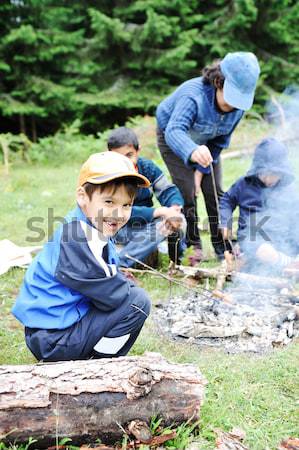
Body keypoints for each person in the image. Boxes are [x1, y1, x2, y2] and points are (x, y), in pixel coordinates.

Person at [12, 152, 151, 362]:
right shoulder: (78, 237)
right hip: (54, 339)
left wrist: (122, 282)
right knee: (137, 303)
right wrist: (127, 287)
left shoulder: (87, 225)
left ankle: (93, 357)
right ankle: (95, 364)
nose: (118, 213)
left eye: (126, 205)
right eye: (109, 201)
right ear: (82, 197)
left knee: (129, 294)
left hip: (51, 331)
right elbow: (111, 296)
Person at [156, 51, 260, 264]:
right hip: (173, 138)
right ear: (218, 82)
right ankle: (193, 246)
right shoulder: (192, 96)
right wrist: (192, 152)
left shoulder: (237, 109)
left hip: (207, 145)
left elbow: (220, 142)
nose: (233, 107)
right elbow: (174, 130)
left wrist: (201, 171)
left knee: (215, 193)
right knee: (187, 192)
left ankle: (223, 247)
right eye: (231, 99)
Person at [107, 127, 186, 267]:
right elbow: (116, 211)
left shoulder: (147, 168)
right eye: (118, 157)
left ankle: (177, 261)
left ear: (138, 151)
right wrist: (159, 211)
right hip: (117, 227)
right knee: (162, 226)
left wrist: (174, 208)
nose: (125, 161)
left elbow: (167, 190)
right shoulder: (107, 175)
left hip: (144, 224)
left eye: (129, 155)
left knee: (176, 219)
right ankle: (121, 265)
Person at [219, 138, 299, 272]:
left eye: (275, 174)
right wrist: (225, 222)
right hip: (253, 240)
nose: (269, 179)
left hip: (282, 239)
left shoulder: (288, 189)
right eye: (265, 174)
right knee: (260, 248)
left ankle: (287, 262)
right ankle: (287, 264)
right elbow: (226, 200)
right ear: (257, 169)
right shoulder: (244, 185)